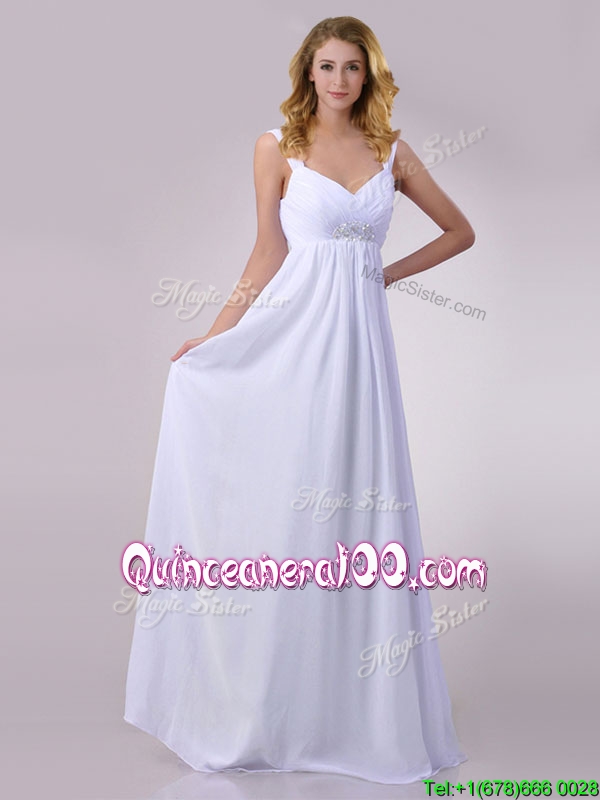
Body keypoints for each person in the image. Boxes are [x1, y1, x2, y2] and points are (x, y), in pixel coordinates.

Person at [124, 15, 475, 785]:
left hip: (362, 357)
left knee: (357, 507)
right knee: (294, 507)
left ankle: (355, 715)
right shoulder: (276, 147)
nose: (340, 79)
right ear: (307, 73)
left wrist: (382, 273)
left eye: (353, 67)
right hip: (293, 345)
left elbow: (460, 231)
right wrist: (214, 337)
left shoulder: (393, 152)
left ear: (368, 75)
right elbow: (268, 250)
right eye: (327, 66)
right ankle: (269, 706)